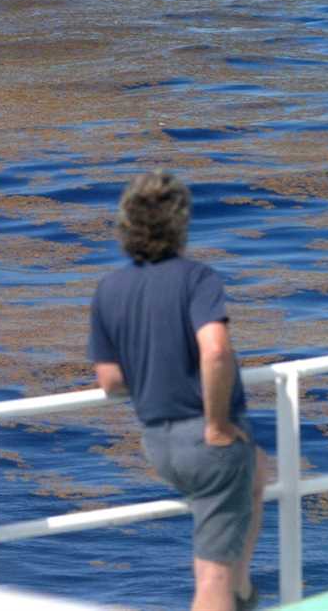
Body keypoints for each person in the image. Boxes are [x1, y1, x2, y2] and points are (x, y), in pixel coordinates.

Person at [88, 170, 267, 611]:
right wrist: (218, 423)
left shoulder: (108, 289)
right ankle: (234, 591)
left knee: (259, 473)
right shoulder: (196, 279)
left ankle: (243, 591)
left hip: (159, 442)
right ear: (180, 224)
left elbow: (110, 381)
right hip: (207, 441)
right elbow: (216, 350)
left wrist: (154, 371)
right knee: (212, 576)